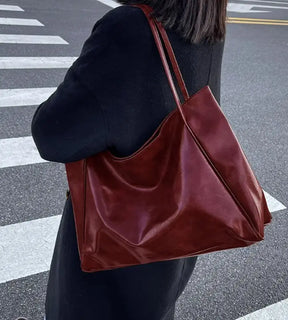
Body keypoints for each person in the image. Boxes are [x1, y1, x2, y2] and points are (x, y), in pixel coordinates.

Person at [31, 0, 227, 319]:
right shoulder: (207, 29)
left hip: (111, 255)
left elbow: (51, 135)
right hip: (168, 245)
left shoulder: (129, 28)